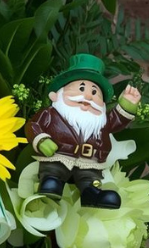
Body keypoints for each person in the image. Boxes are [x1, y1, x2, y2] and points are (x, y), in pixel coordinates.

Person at [25, 53, 141, 209]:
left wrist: (127, 105)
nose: (88, 96)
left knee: (90, 179)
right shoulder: (50, 114)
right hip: (59, 156)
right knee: (54, 171)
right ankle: (51, 181)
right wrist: (42, 140)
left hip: (90, 161)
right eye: (81, 88)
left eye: (95, 93)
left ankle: (92, 193)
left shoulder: (100, 121)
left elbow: (116, 121)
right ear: (56, 95)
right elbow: (33, 125)